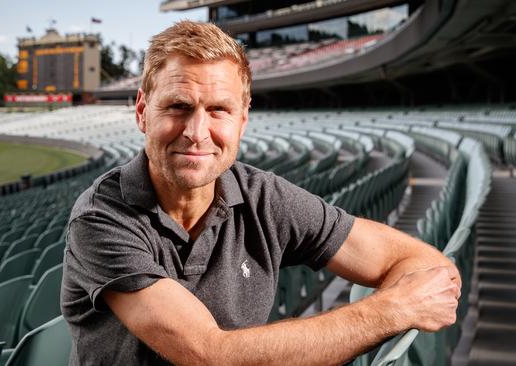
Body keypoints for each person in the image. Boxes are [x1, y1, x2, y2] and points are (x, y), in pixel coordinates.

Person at [61, 21, 461, 365]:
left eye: (219, 110)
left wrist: (398, 303)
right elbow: (206, 354)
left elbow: (426, 265)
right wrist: (390, 310)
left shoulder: (264, 196)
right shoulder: (100, 217)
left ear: (243, 119)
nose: (196, 133)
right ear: (141, 112)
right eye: (178, 107)